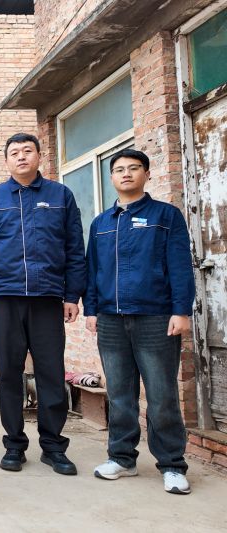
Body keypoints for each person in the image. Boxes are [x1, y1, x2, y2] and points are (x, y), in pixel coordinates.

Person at [0, 132, 86, 475]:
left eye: (27, 151)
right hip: (5, 299)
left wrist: (72, 295)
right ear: (6, 160)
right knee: (9, 373)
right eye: (14, 153)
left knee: (51, 373)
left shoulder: (60, 195)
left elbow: (74, 249)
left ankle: (53, 446)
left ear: (39, 156)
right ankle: (14, 444)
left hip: (47, 298)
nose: (21, 157)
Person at [84, 148, 195, 494]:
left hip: (155, 317)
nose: (126, 174)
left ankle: (172, 465)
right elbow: (92, 270)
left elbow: (180, 265)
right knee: (119, 394)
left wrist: (181, 310)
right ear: (112, 178)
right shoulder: (101, 223)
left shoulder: (166, 215)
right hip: (111, 319)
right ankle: (122, 458)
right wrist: (91, 310)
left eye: (134, 168)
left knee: (161, 396)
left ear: (147, 174)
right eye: (119, 170)